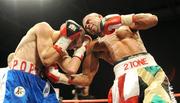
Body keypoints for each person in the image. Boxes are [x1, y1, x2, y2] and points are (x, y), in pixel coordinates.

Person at [67, 13, 177, 103]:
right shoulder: (94, 46)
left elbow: (153, 19)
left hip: (148, 69)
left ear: (99, 17)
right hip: (123, 77)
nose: (87, 26)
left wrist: (122, 19)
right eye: (86, 26)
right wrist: (61, 77)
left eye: (89, 21)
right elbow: (86, 79)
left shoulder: (123, 25)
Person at [0, 19, 91, 103]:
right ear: (69, 36)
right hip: (19, 76)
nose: (71, 49)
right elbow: (46, 60)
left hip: (39, 82)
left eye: (75, 48)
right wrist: (66, 38)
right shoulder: (43, 27)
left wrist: (81, 49)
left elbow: (71, 69)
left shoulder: (59, 50)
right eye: (74, 45)